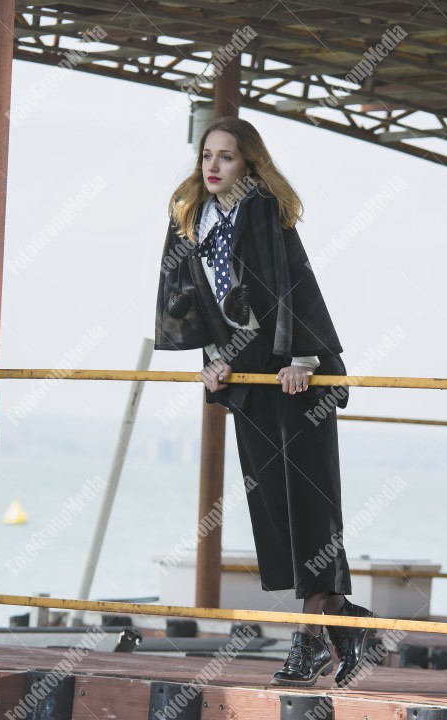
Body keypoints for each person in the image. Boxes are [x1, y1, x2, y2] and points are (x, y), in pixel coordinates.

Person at [155, 117, 375, 687]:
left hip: (298, 373)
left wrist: (304, 359)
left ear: (249, 164)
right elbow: (197, 301)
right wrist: (214, 358)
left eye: (227, 157)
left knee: (309, 509)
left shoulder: (264, 213)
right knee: (274, 511)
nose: (213, 166)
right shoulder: (191, 223)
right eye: (208, 155)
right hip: (249, 375)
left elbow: (297, 287)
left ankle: (308, 641)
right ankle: (346, 625)